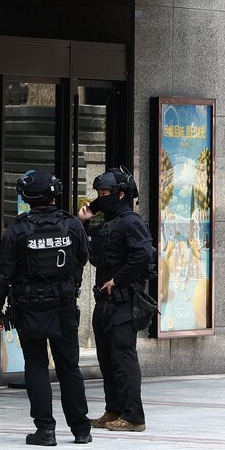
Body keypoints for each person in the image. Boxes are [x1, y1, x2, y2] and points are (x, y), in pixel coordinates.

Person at [0, 170, 91, 446]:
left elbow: (2, 275)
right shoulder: (73, 225)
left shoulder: (17, 229)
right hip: (64, 306)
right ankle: (82, 430)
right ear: (55, 195)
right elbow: (82, 258)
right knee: (69, 366)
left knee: (36, 364)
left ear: (27, 198)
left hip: (29, 307)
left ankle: (45, 430)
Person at [78, 167, 154, 433]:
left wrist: (118, 280)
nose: (100, 197)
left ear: (121, 195)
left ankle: (133, 416)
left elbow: (144, 255)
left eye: (105, 193)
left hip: (123, 301)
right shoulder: (108, 223)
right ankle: (114, 410)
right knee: (107, 358)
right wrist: (85, 221)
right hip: (105, 302)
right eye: (98, 193)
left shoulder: (131, 222)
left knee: (123, 358)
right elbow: (91, 253)